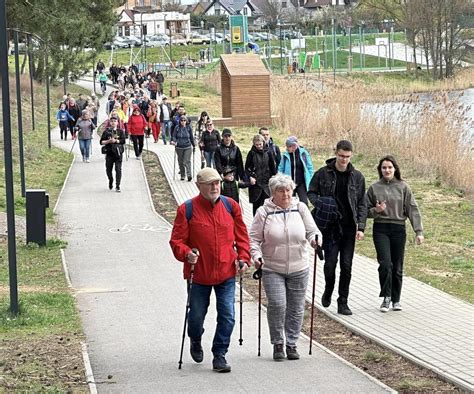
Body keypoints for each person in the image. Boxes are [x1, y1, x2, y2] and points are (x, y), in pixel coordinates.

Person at [169, 167, 251, 373]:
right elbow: (176, 241)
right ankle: (195, 338)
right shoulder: (186, 209)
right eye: (210, 184)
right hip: (199, 274)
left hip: (226, 272)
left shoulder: (231, 206)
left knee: (227, 315)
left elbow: (242, 236)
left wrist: (243, 257)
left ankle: (219, 354)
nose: (215, 187)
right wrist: (187, 253)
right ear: (199, 186)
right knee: (196, 316)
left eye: (217, 183)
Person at [249, 174, 322, 361]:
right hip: (272, 267)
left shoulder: (300, 208)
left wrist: (315, 240)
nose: (286, 194)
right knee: (277, 305)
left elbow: (312, 230)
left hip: (299, 266)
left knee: (296, 307)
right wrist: (256, 256)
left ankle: (291, 343)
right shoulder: (264, 212)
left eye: (288, 190)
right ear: (273, 193)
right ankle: (277, 343)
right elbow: (254, 239)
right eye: (281, 191)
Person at [307, 140, 367, 316]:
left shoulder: (357, 177)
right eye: (341, 156)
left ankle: (343, 301)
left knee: (346, 266)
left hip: (348, 227)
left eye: (347, 157)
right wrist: (322, 204)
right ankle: (328, 289)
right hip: (330, 227)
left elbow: (362, 203)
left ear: (351, 155)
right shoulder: (323, 174)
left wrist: (361, 227)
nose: (344, 160)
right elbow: (311, 192)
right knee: (330, 265)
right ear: (336, 153)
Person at [366, 155, 424, 313]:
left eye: (390, 167)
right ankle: (386, 297)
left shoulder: (403, 187)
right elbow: (364, 210)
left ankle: (396, 299)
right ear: (380, 170)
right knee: (385, 264)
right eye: (384, 167)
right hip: (381, 229)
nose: (387, 170)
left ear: (395, 169)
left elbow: (412, 209)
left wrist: (418, 231)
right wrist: (376, 211)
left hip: (399, 229)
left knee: (397, 267)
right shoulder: (374, 188)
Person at [245, 134, 277, 215]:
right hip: (256, 183)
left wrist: (274, 178)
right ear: (254, 144)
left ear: (263, 142)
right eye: (256, 145)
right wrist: (250, 177)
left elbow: (273, 168)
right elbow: (246, 168)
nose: (259, 146)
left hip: (266, 183)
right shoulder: (251, 153)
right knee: (256, 207)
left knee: (267, 206)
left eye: (260, 144)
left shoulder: (268, 152)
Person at [278, 136, 314, 205]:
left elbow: (310, 167)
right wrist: (280, 180)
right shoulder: (285, 155)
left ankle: (304, 215)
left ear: (294, 146)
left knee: (304, 202)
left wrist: (310, 178)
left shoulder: (304, 153)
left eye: (289, 146)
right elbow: (280, 168)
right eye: (287, 146)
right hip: (289, 183)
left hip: (301, 183)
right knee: (289, 203)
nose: (287, 148)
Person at [100, 116, 126, 192]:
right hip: (109, 153)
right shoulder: (106, 131)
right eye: (112, 121)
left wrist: (116, 141)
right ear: (109, 123)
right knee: (108, 170)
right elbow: (101, 142)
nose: (113, 123)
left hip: (118, 153)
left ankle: (118, 186)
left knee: (118, 169)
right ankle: (110, 180)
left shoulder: (120, 131)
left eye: (115, 121)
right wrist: (109, 141)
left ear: (117, 123)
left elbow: (123, 140)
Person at [171, 116, 195, 181]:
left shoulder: (189, 128)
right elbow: (174, 136)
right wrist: (174, 141)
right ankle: (182, 175)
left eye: (184, 120)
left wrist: (194, 145)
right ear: (180, 121)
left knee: (187, 161)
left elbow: (191, 137)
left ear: (186, 121)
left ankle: (189, 175)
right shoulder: (177, 128)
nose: (183, 122)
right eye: (182, 120)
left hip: (187, 146)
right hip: (179, 147)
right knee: (181, 162)